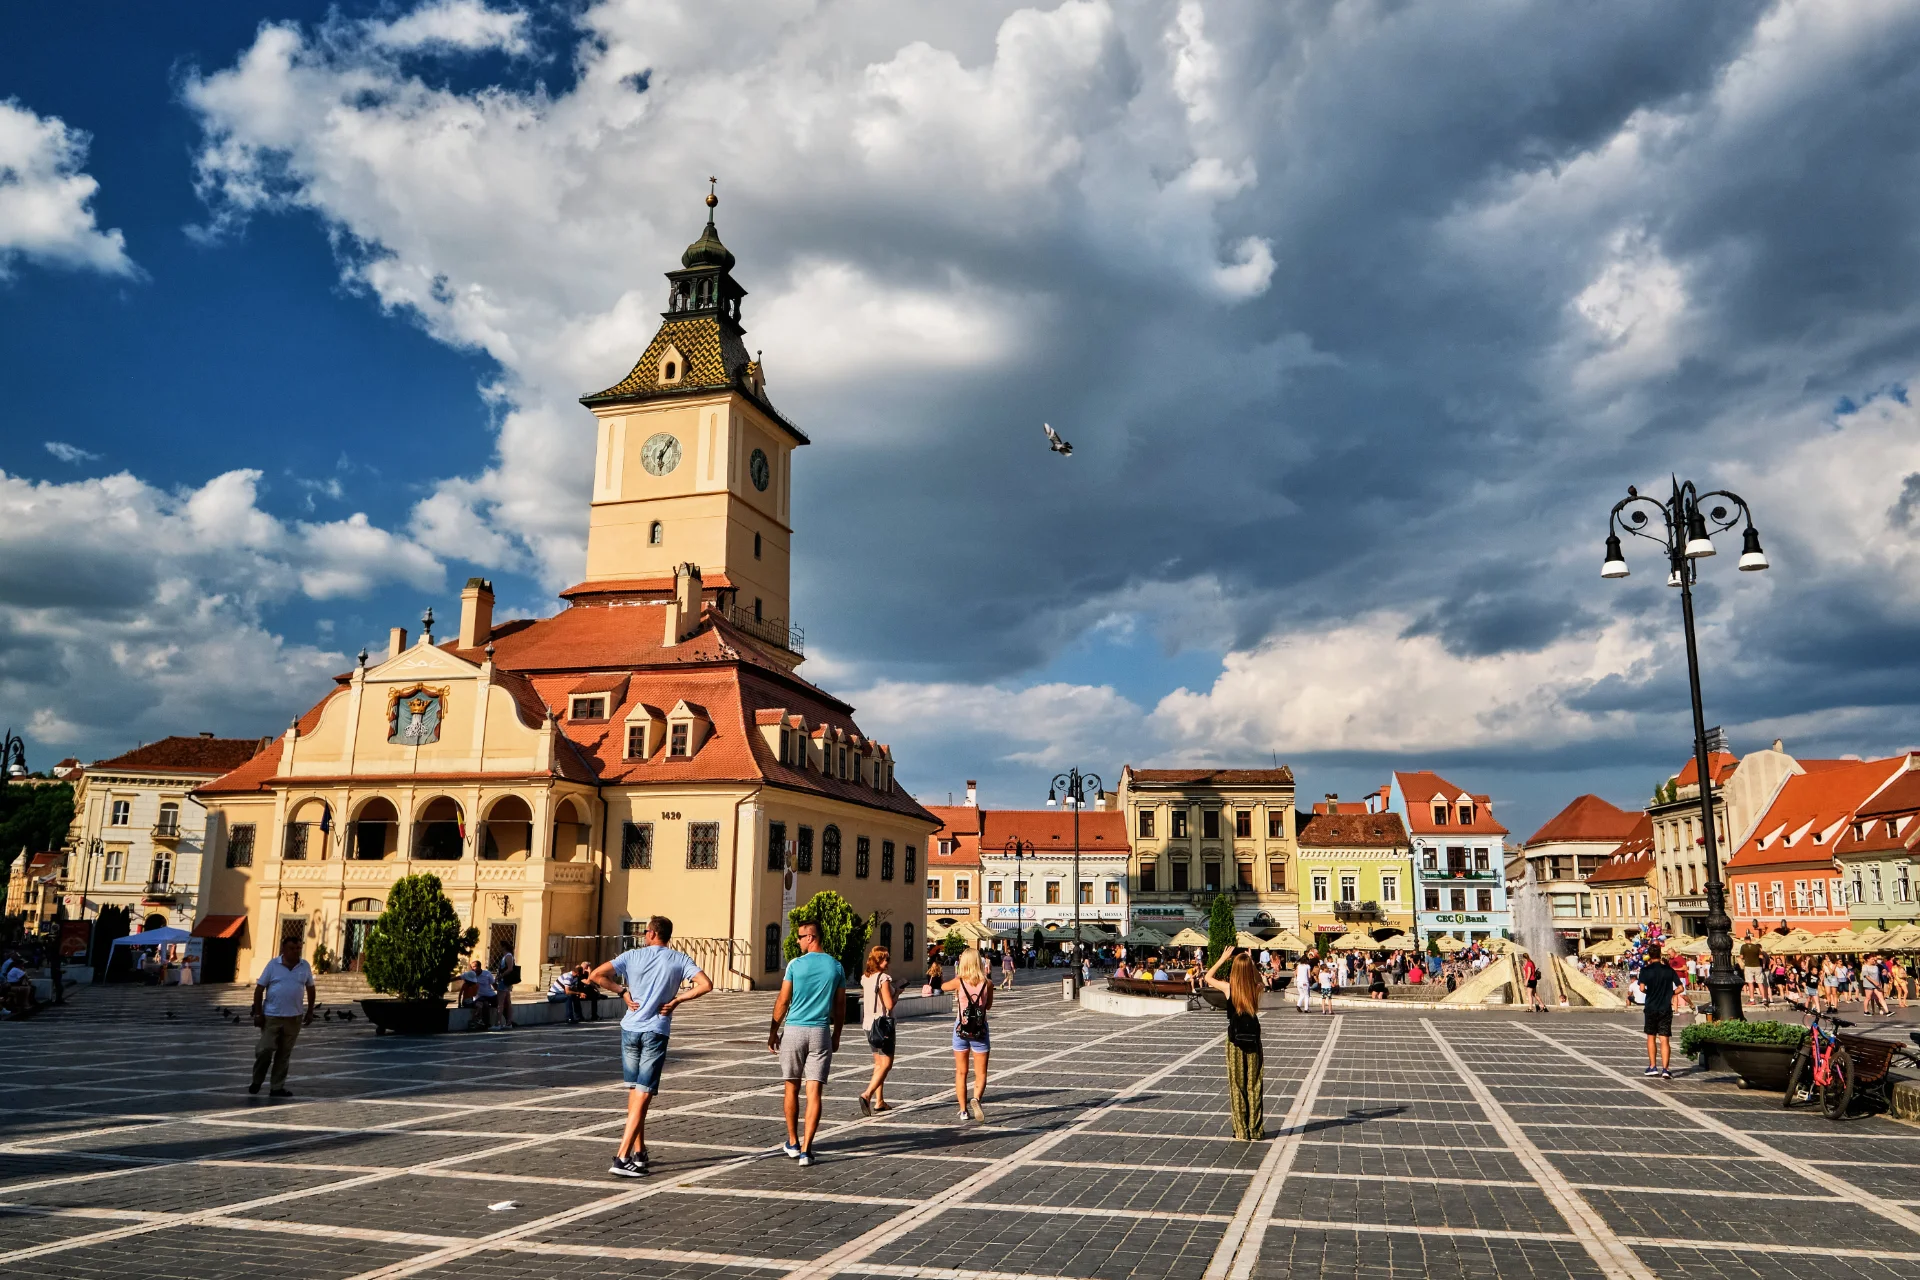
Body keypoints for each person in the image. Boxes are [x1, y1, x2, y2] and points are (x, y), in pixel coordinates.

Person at [589, 915, 713, 1177]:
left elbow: (596, 975)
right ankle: (622, 1157)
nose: (645, 935)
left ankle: (640, 1151)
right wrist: (678, 1000)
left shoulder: (632, 956)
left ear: (653, 934)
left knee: (636, 1093)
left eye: (646, 931)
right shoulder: (679, 959)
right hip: (655, 1030)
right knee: (643, 1093)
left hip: (630, 1029)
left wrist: (622, 991)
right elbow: (706, 984)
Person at [769, 920, 845, 1167]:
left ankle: (792, 1141)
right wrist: (837, 1034)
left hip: (794, 1030)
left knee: (791, 1086)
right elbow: (840, 1005)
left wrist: (773, 1031)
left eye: (800, 936)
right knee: (815, 1092)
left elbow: (783, 1000)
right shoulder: (836, 966)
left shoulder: (795, 965)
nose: (797, 941)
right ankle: (806, 1150)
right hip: (820, 1032)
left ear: (811, 937)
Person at [1204, 947, 1264, 1140]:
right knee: (1254, 1085)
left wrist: (1223, 958)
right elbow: (1260, 981)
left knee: (1237, 1086)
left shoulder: (1229, 988)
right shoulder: (1255, 989)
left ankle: (1240, 1130)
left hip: (1235, 1043)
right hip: (1254, 1042)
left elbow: (1207, 977)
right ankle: (1255, 1130)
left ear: (1235, 971)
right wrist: (1251, 963)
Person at [250, 934, 316, 1098]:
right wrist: (258, 1013)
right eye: (292, 948)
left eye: (298, 948)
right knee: (264, 1050)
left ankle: (277, 1087)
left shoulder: (304, 966)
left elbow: (310, 988)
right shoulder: (273, 965)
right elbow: (259, 990)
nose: (296, 951)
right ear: (284, 949)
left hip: (294, 1017)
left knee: (284, 1054)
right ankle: (257, 1080)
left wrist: (310, 1011)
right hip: (272, 1016)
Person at [944, 946, 993, 1122]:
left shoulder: (959, 982)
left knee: (961, 1072)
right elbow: (987, 1007)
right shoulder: (987, 983)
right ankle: (976, 1098)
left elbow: (942, 986)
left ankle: (963, 1110)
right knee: (981, 1073)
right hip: (980, 1029)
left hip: (961, 1029)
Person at [859, 944, 898, 1115]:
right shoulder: (884, 978)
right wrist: (898, 993)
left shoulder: (865, 978)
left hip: (868, 1025)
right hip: (883, 1026)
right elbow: (889, 1005)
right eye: (885, 958)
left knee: (878, 1064)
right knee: (887, 1063)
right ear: (878, 960)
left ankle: (879, 1101)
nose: (888, 962)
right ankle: (867, 1095)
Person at [1638, 944, 1683, 1080]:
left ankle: (1652, 1066)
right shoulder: (1668, 970)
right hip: (1665, 1007)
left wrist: (1649, 992)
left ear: (1650, 956)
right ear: (1660, 954)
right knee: (1664, 1039)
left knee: (1651, 1036)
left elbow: (1641, 988)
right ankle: (1666, 1069)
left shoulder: (1645, 970)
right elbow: (1680, 988)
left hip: (1651, 1007)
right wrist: (1669, 994)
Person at [460, 959, 498, 1031]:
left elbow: (494, 984)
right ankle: (486, 1024)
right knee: (485, 1004)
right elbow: (459, 977)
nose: (472, 969)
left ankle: (508, 1021)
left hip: (490, 995)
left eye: (474, 967)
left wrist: (501, 992)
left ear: (479, 967)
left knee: (501, 1002)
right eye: (471, 967)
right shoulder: (470, 975)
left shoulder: (487, 974)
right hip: (480, 997)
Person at [494, 945, 518, 1029]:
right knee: (507, 1002)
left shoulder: (508, 956)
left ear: (504, 947)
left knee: (500, 1003)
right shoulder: (507, 956)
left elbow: (510, 968)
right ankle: (508, 1023)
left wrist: (501, 976)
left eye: (501, 946)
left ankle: (498, 1023)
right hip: (506, 982)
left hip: (504, 981)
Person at [1863, 953, 1891, 1017]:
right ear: (1867, 960)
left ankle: (1887, 1011)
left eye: (1873, 959)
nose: (1873, 960)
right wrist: (1874, 982)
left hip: (1877, 985)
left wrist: (1884, 972)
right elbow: (1866, 976)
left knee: (1881, 997)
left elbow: (1880, 971)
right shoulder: (1865, 967)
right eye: (1872, 959)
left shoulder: (1876, 966)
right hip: (1868, 984)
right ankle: (1866, 1011)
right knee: (1868, 997)